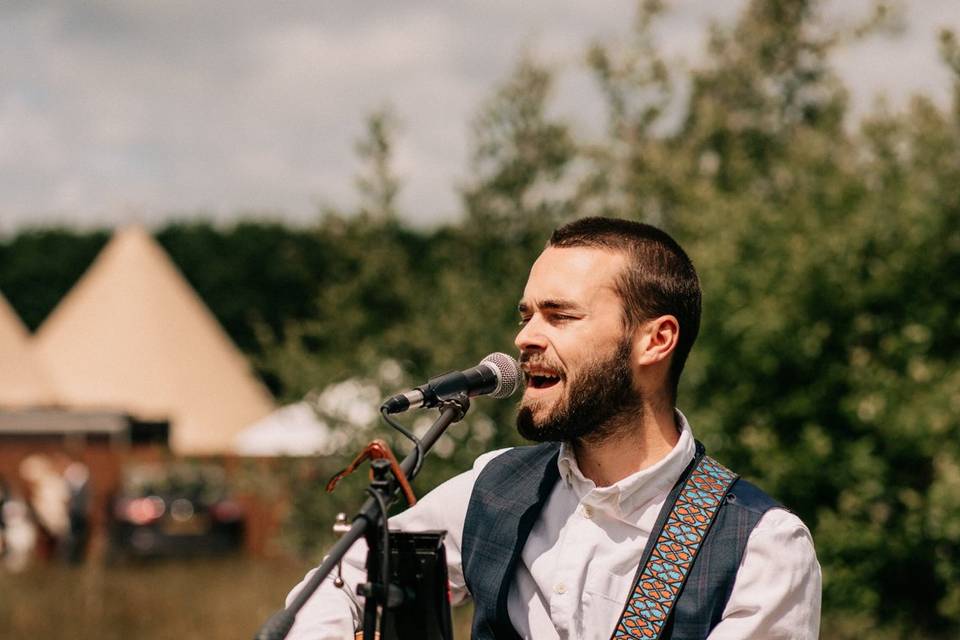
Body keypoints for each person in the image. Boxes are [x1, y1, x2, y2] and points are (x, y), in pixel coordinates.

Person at [285, 217, 821, 639]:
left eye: (560, 316)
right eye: (527, 315)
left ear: (655, 341)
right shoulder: (494, 487)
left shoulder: (761, 546)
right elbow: (337, 579)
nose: (525, 338)